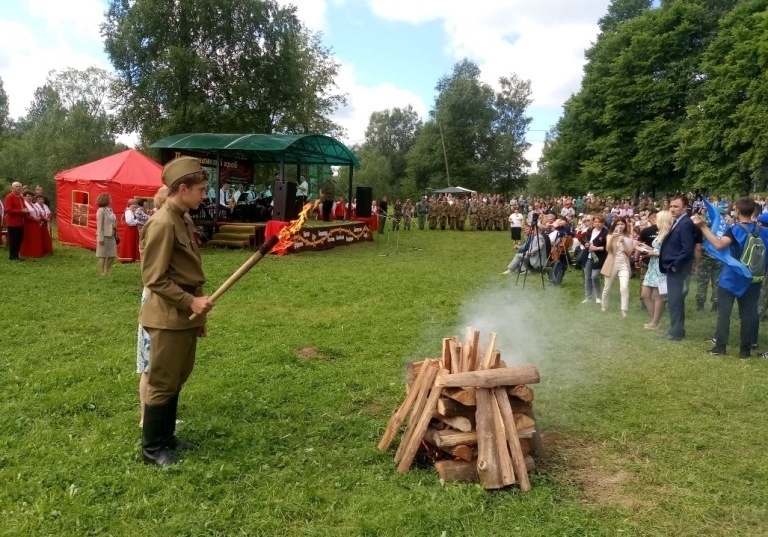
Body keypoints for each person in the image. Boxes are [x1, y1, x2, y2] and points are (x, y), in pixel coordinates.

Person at [138, 157, 214, 466]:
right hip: (167, 317)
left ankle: (167, 437)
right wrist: (189, 303)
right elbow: (153, 278)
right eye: (201, 189)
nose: (204, 195)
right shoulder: (162, 222)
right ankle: (152, 449)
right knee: (162, 382)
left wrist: (199, 316)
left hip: (185, 317)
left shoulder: (182, 217)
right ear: (182, 189)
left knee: (178, 377)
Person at [693, 197, 768, 358]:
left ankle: (720, 347)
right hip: (753, 278)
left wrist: (704, 227)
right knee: (748, 314)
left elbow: (719, 245)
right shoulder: (764, 231)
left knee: (724, 313)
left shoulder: (735, 230)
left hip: (732, 277)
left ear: (738, 212)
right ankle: (745, 351)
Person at [137, 186, 170, 427]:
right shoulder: (159, 225)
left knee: (158, 365)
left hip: (162, 301)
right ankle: (146, 419)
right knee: (149, 366)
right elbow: (154, 275)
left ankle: (155, 417)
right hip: (154, 301)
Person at [657, 195, 698, 340]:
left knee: (675, 301)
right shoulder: (678, 222)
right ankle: (676, 330)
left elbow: (687, 248)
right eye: (671, 206)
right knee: (674, 300)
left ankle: (676, 332)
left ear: (685, 207)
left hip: (677, 268)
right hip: (672, 266)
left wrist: (675, 265)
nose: (672, 209)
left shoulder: (685, 223)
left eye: (676, 206)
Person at [639, 211, 673, 330]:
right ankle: (655, 320)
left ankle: (655, 322)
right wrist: (646, 248)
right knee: (645, 294)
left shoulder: (669, 234)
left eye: (657, 218)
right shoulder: (661, 233)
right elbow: (658, 248)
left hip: (661, 267)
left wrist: (652, 253)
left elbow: (668, 253)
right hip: (653, 266)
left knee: (658, 296)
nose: (654, 220)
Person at [600, 217, 634, 317]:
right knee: (607, 286)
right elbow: (607, 249)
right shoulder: (610, 235)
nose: (620, 226)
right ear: (614, 225)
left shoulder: (629, 236)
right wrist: (612, 239)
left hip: (624, 262)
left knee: (624, 287)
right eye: (618, 224)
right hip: (612, 261)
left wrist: (623, 241)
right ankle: (604, 305)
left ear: (625, 225)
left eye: (622, 224)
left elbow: (629, 252)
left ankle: (624, 309)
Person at [581, 215, 609, 303]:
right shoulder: (589, 230)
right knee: (587, 277)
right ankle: (588, 297)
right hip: (589, 255)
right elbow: (586, 241)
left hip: (599, 256)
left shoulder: (606, 232)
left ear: (603, 223)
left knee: (594, 276)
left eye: (599, 222)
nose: (597, 224)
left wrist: (598, 248)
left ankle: (598, 296)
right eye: (595, 222)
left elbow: (608, 246)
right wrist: (586, 245)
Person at [95, 193, 118, 276]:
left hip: (112, 235)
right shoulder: (101, 210)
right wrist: (100, 237)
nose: (111, 199)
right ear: (106, 200)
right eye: (109, 198)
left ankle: (107, 270)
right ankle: (102, 273)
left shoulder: (110, 210)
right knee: (102, 255)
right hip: (104, 235)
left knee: (112, 255)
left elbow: (112, 221)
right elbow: (99, 225)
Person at [4, 181, 28, 260]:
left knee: (20, 239)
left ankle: (17, 255)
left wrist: (26, 211)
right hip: (12, 223)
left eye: (19, 186)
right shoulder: (9, 197)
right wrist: (21, 211)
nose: (18, 188)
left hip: (21, 222)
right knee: (14, 240)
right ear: (12, 188)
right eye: (16, 186)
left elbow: (24, 207)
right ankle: (13, 256)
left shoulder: (20, 197)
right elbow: (8, 210)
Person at [19, 190, 44, 259]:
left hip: (35, 223)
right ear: (24, 197)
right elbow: (25, 215)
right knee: (30, 238)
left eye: (31, 196)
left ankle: (36, 252)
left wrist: (39, 218)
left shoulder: (33, 204)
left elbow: (38, 212)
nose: (30, 198)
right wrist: (34, 219)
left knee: (36, 238)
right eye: (28, 196)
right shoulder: (24, 204)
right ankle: (29, 253)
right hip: (28, 224)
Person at [118, 199, 141, 263]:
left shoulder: (132, 211)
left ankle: (133, 257)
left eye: (136, 204)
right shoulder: (128, 211)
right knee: (129, 242)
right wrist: (138, 221)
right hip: (130, 229)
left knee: (133, 242)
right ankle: (127, 257)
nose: (135, 205)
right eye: (133, 204)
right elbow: (130, 222)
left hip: (133, 229)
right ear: (130, 205)